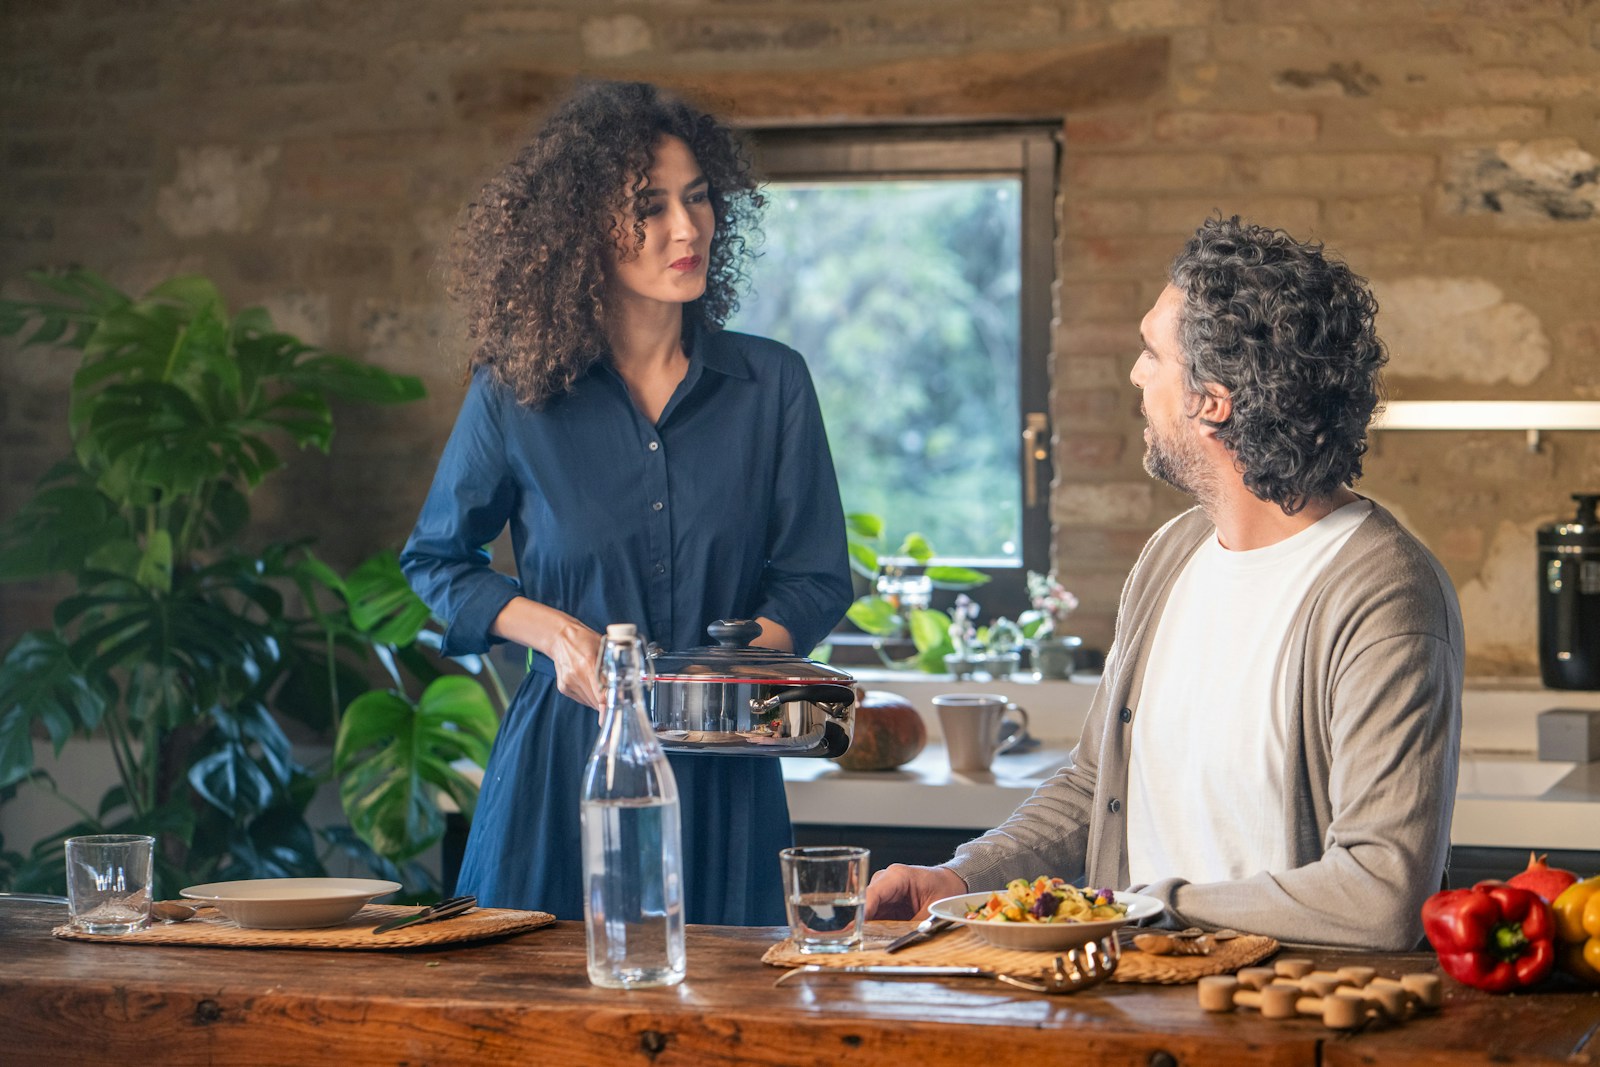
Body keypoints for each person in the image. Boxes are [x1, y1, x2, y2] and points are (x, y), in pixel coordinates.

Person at [867, 216, 1464, 951]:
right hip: (1129, 1003)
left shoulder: (1382, 593)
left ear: (1213, 399)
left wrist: (1153, 907)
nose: (1136, 373)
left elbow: (1381, 892)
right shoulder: (1170, 556)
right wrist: (962, 878)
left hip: (1280, 1023)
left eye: (1153, 353)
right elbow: (1096, 786)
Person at [400, 80, 852, 926]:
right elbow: (435, 561)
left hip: (724, 768)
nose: (687, 229)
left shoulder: (773, 383)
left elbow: (816, 578)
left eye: (698, 198)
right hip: (561, 766)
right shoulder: (516, 394)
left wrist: (742, 659)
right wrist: (553, 633)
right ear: (580, 233)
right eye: (650, 206)